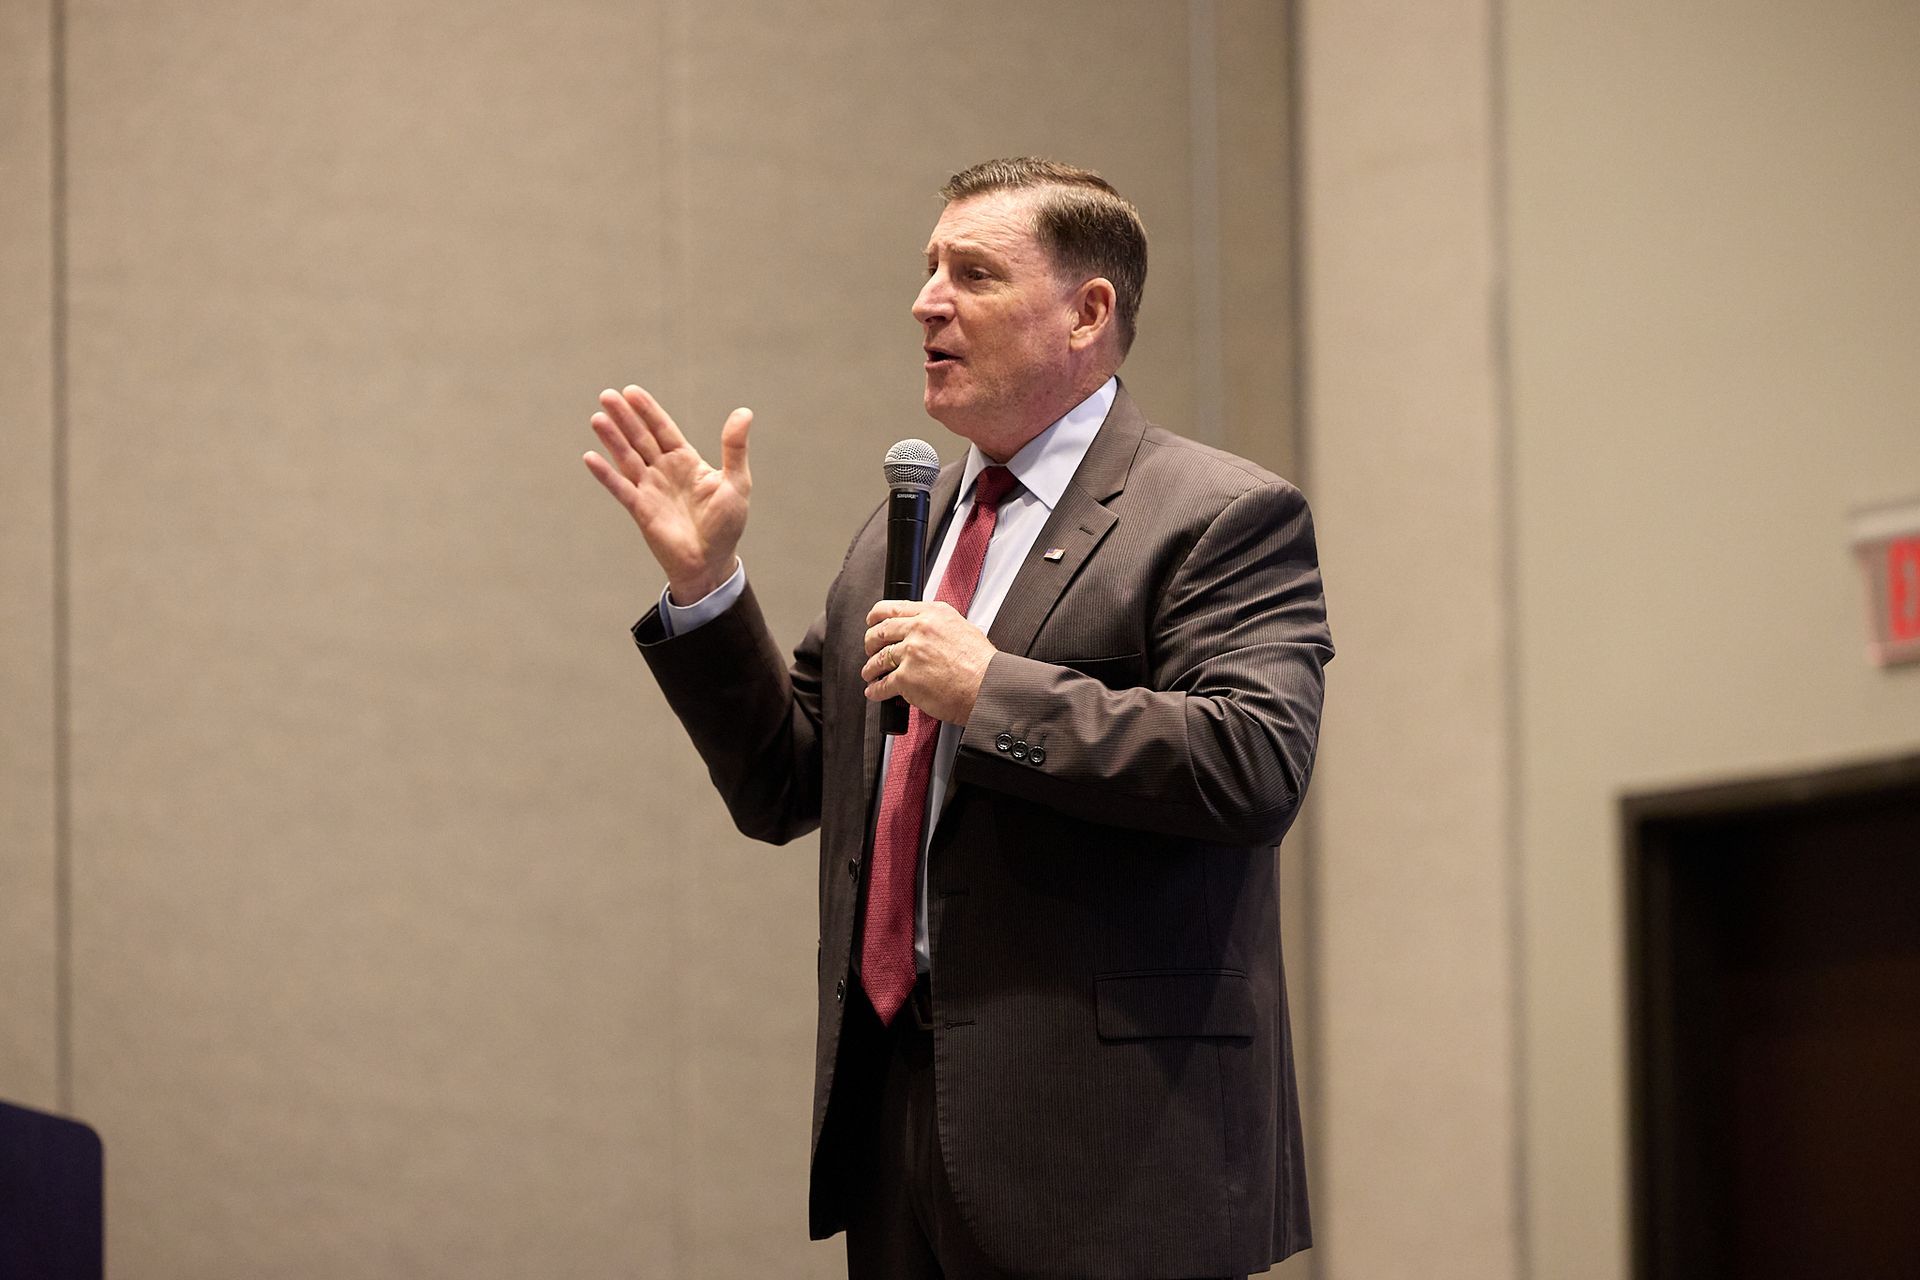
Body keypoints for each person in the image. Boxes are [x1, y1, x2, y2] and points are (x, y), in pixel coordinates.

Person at [583, 158, 1331, 1280]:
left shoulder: (1217, 515)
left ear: (1088, 312)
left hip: (1114, 1143)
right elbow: (788, 780)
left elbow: (1255, 764)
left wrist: (992, 692)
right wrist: (708, 588)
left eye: (973, 274)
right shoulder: (910, 527)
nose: (926, 302)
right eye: (929, 269)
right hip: (898, 1126)